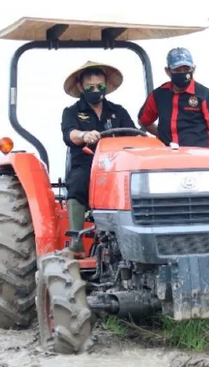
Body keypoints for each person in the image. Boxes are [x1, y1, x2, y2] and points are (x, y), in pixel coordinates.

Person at [61, 61, 136, 256]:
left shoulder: (118, 111)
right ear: (81, 87)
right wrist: (84, 136)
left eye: (100, 87)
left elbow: (134, 135)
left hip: (117, 166)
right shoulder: (72, 112)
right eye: (91, 87)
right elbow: (70, 134)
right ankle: (76, 241)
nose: (96, 91)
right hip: (88, 163)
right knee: (78, 180)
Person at [137, 47, 209, 162]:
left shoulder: (205, 96)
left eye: (186, 69)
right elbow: (144, 121)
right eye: (177, 70)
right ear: (168, 71)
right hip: (169, 159)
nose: (182, 73)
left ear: (193, 69)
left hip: (202, 159)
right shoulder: (158, 95)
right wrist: (162, 134)